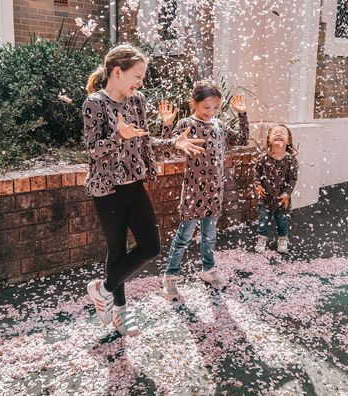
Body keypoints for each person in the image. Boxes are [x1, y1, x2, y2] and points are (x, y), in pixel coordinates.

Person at [83, 44, 205, 336]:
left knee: (151, 246)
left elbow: (144, 142)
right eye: (137, 75)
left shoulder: (137, 101)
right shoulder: (94, 103)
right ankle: (120, 314)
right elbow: (91, 150)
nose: (140, 82)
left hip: (135, 186)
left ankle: (103, 289)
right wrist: (117, 136)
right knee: (117, 252)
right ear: (117, 72)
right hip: (107, 190)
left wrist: (172, 143)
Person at [161, 80, 249, 300]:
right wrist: (167, 125)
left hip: (214, 191)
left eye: (216, 108)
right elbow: (166, 151)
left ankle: (208, 271)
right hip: (193, 191)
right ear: (194, 103)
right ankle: (170, 277)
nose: (211, 112)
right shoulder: (187, 124)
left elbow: (241, 139)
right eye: (206, 107)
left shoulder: (219, 126)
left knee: (209, 236)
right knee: (184, 236)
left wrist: (242, 115)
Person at [254, 124, 298, 254]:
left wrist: (287, 194)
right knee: (263, 220)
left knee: (282, 220)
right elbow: (256, 173)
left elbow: (293, 179)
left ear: (288, 141)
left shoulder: (291, 160)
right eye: (275, 132)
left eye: (282, 133)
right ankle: (261, 239)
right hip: (265, 197)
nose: (278, 134)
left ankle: (282, 239)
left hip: (282, 198)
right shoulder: (263, 157)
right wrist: (258, 185)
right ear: (269, 140)